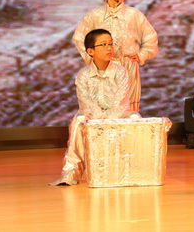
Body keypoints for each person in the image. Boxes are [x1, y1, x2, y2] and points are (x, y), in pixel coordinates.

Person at [73, 0, 158, 113]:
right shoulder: (95, 16)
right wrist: (93, 59)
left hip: (128, 67)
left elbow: (150, 37)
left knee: (128, 110)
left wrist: (141, 54)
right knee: (102, 109)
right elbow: (79, 37)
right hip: (103, 70)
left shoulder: (134, 15)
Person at [52, 29, 138, 185]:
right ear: (90, 51)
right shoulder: (83, 75)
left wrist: (108, 119)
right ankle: (71, 173)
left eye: (111, 44)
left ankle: (132, 171)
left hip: (117, 115)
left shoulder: (121, 72)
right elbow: (86, 104)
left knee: (134, 117)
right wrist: (99, 120)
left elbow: (120, 102)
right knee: (79, 121)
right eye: (103, 45)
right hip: (92, 116)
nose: (109, 48)